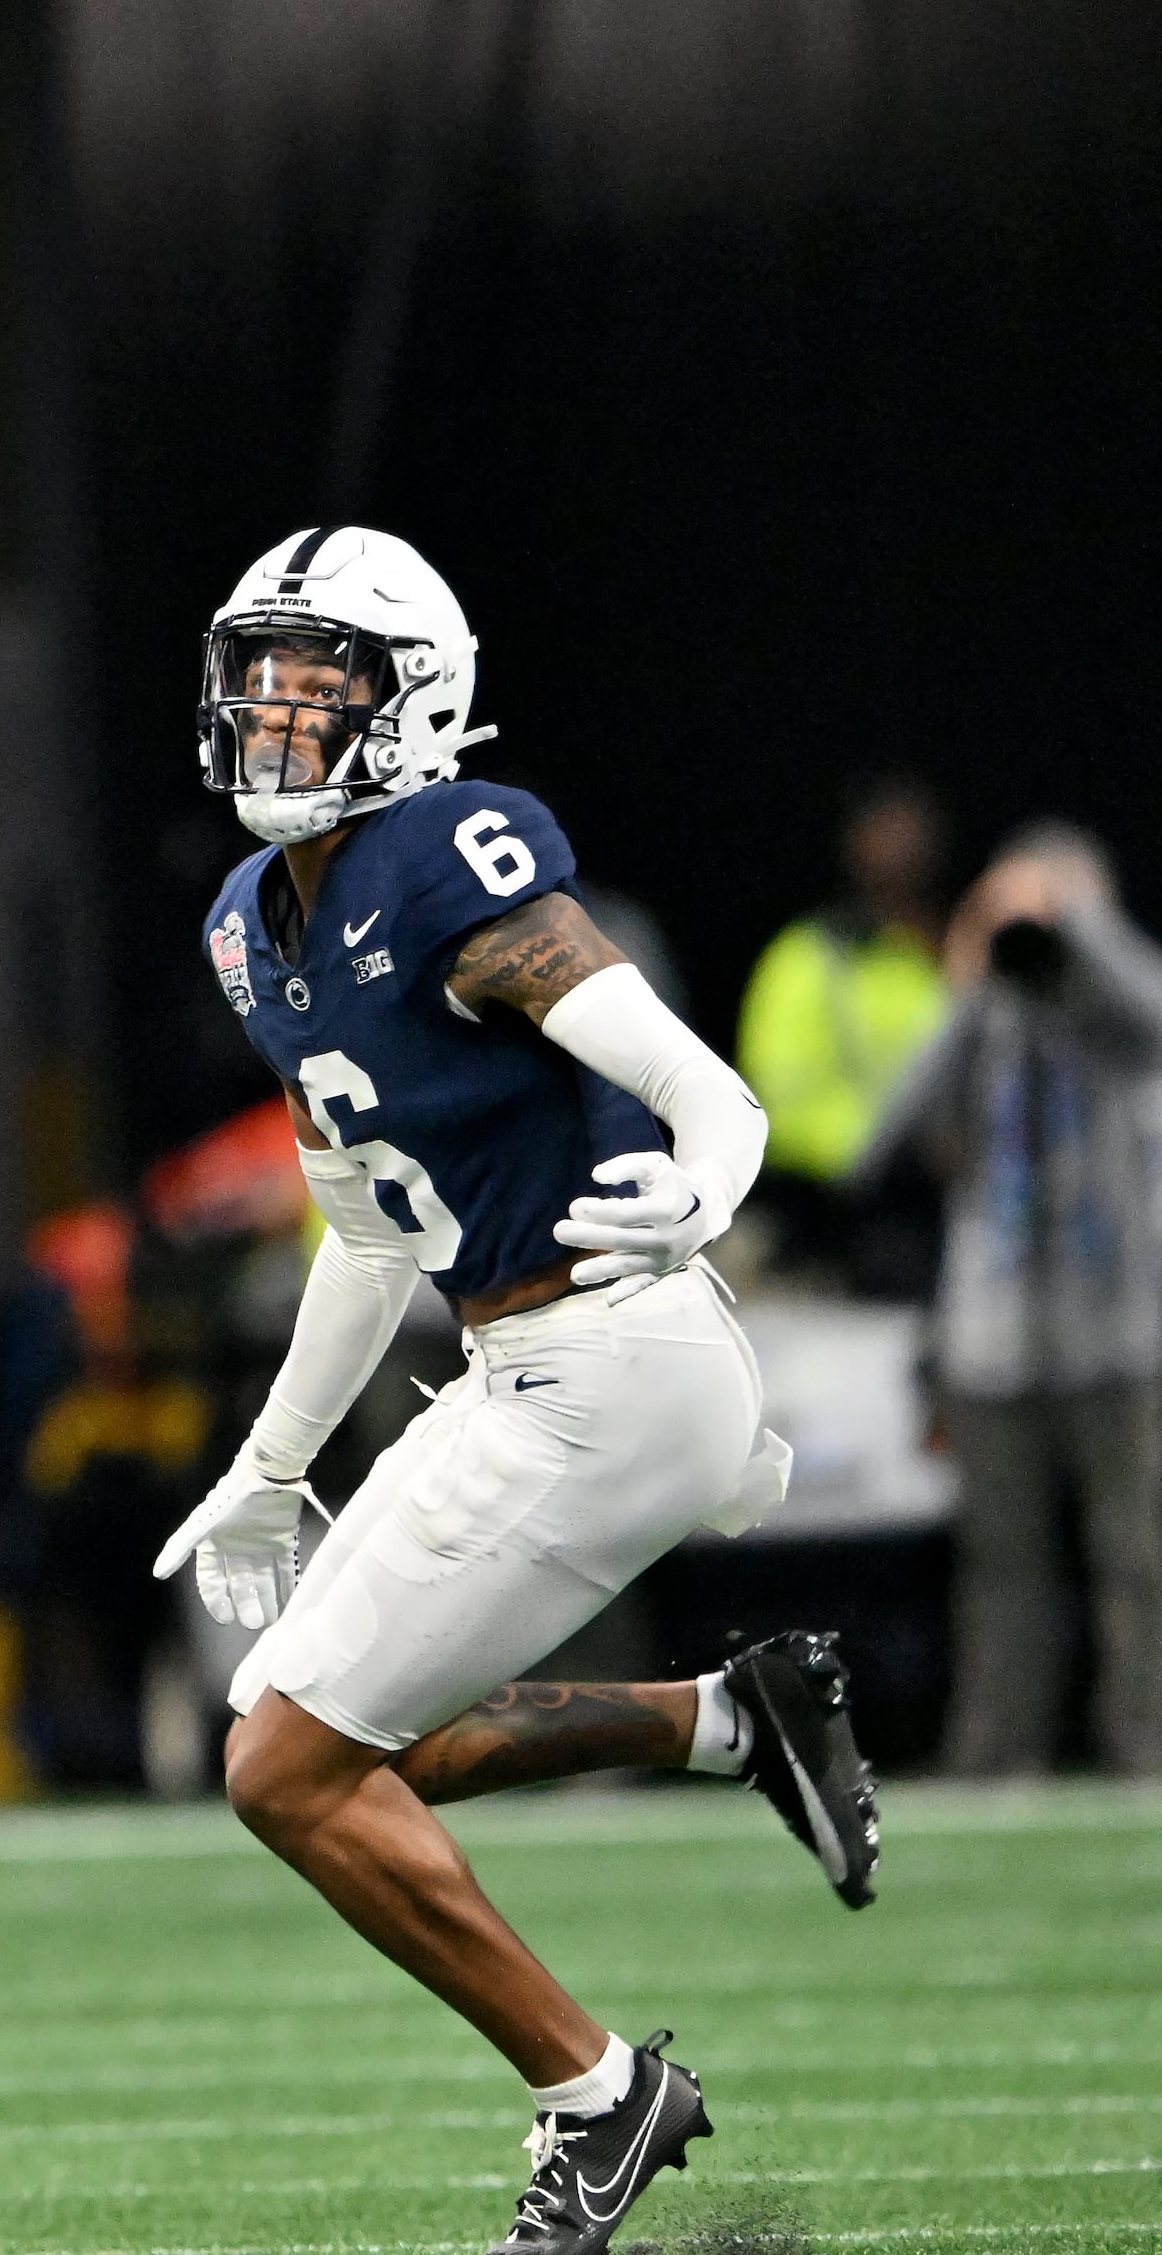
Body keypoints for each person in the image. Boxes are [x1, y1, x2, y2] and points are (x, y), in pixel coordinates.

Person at [152, 527, 883, 2255]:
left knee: (285, 1769)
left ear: (415, 698)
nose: (276, 710)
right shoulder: (255, 922)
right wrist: (269, 1462)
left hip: (617, 1354)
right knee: (338, 1739)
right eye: (261, 673)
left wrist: (708, 1176)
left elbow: (704, 1090)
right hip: (518, 1364)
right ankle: (730, 1716)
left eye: (321, 679)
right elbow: (366, 1233)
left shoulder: (445, 856)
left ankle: (599, 2091)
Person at [854, 822, 1162, 1775]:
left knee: (1139, 1560)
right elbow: (884, 1135)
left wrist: (1077, 924)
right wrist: (970, 974)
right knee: (1001, 1570)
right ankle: (997, 1757)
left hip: (1119, 1332)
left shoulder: (1120, 1027)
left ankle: (1146, 1747)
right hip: (992, 1337)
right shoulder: (982, 1018)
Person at [739, 779, 951, 1274]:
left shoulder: (945, 960)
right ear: (855, 844)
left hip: (930, 1213)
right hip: (824, 1215)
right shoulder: (805, 956)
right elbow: (775, 1098)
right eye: (887, 831)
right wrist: (877, 1151)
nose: (902, 849)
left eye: (913, 834)